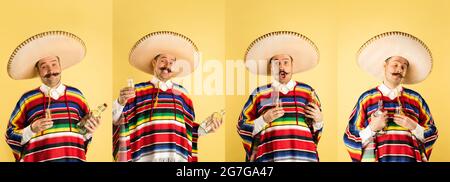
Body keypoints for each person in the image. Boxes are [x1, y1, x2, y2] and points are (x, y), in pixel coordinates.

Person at [112, 31, 223, 162]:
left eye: (171, 62)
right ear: (154, 62)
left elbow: (188, 131)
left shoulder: (183, 95)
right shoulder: (136, 91)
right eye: (163, 60)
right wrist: (120, 102)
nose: (167, 66)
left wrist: (206, 127)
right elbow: (117, 121)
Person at [5, 31, 100, 162]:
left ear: (60, 66)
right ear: (38, 71)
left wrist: (89, 130)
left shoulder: (77, 96)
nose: (50, 70)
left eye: (54, 64)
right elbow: (10, 135)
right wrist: (32, 129)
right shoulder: (27, 99)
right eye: (44, 66)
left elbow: (82, 136)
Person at [344, 31, 438, 162]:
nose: (399, 69)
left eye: (403, 67)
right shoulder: (366, 99)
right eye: (395, 64)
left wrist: (414, 126)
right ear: (384, 66)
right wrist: (372, 128)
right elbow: (349, 136)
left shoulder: (416, 99)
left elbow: (433, 132)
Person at [237, 31, 324, 162]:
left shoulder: (308, 92)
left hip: (304, 157)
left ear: (292, 65)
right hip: (270, 157)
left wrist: (319, 120)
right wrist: (264, 119)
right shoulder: (259, 93)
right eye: (276, 63)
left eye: (285, 62)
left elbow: (315, 131)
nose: (281, 67)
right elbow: (241, 126)